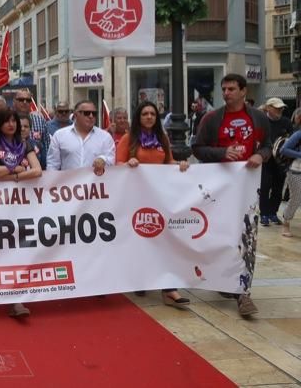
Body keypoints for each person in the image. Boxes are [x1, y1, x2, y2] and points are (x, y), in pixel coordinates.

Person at [192, 73, 269, 318]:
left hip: (247, 187)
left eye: (232, 89)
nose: (226, 93)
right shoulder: (212, 119)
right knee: (220, 237)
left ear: (243, 91)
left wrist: (261, 156)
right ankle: (225, 281)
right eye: (224, 89)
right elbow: (198, 148)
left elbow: (268, 144)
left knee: (246, 237)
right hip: (218, 189)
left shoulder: (258, 117)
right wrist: (223, 152)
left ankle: (243, 292)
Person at [116, 101, 190, 307]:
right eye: (145, 114)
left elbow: (168, 162)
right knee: (139, 240)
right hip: (134, 198)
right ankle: (140, 278)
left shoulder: (162, 138)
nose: (149, 117)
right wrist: (127, 164)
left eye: (152, 114)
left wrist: (179, 165)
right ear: (138, 117)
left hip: (159, 198)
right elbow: (117, 165)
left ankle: (169, 289)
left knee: (162, 240)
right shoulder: (128, 139)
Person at [0, 108, 42, 318]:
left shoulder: (25, 144)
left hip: (21, 206)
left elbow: (36, 170)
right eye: (6, 121)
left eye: (13, 121)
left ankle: (16, 299)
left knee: (17, 249)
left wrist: (13, 178)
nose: (11, 124)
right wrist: (14, 168)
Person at [47, 100, 115, 173]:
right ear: (76, 115)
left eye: (94, 113)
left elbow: (111, 160)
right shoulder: (59, 135)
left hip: (96, 183)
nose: (91, 116)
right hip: (69, 183)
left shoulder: (105, 137)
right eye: (87, 113)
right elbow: (52, 165)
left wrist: (103, 159)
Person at [259, 98, 293, 226]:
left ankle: (273, 213)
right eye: (277, 108)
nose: (280, 110)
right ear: (268, 108)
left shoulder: (286, 122)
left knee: (278, 189)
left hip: (281, 162)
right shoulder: (262, 121)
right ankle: (264, 214)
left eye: (281, 108)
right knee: (264, 187)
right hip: (266, 160)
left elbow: (291, 139)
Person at [12, 90, 50, 164]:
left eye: (28, 100)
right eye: (21, 100)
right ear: (14, 101)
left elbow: (47, 146)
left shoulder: (40, 119)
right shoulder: (8, 120)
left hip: (38, 167)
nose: (25, 102)